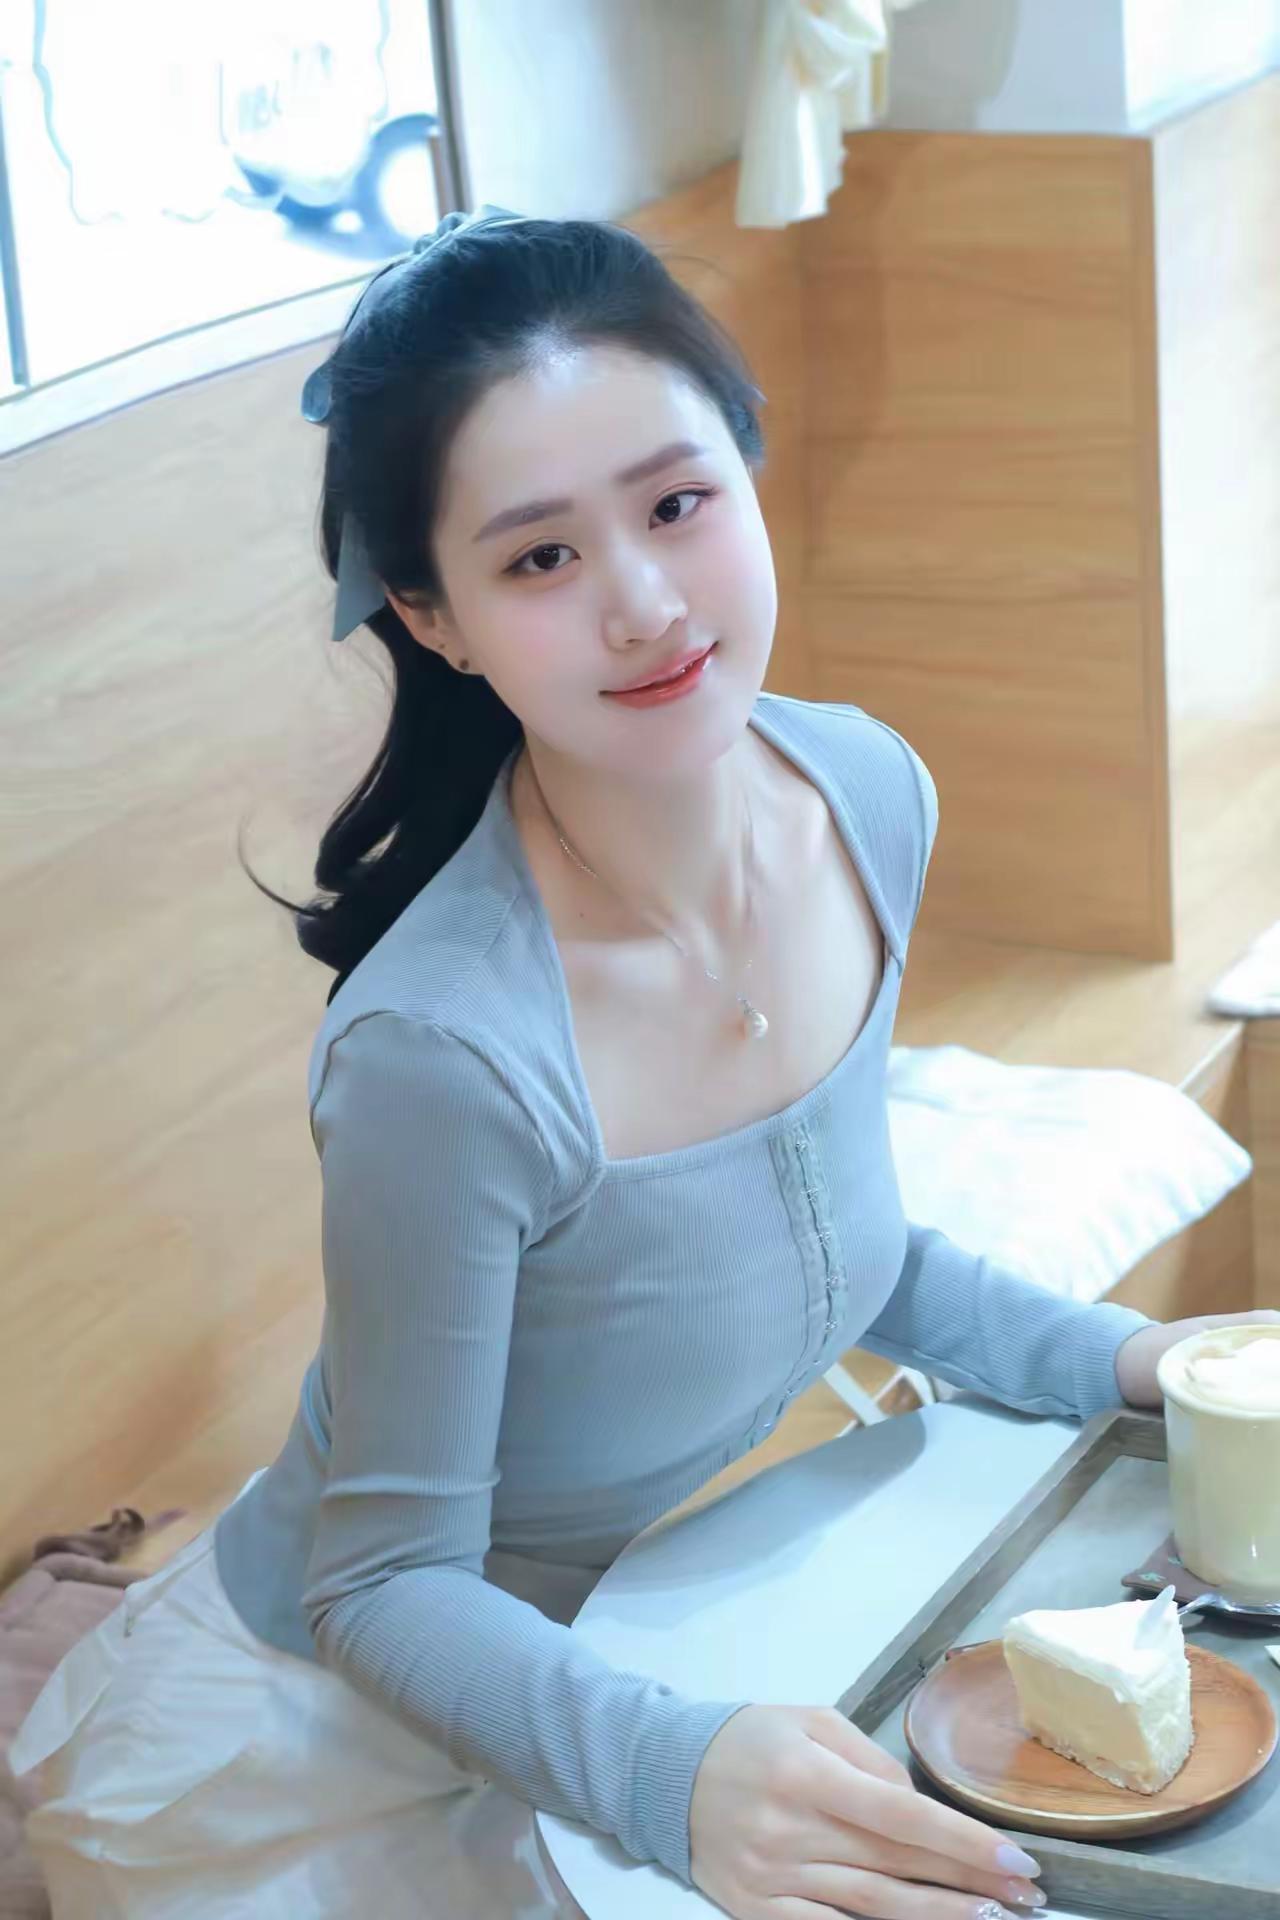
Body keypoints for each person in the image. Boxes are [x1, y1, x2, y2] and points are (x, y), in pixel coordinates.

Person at [10, 206, 1271, 1920]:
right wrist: (677, 1779)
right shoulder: (441, 1054)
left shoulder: (866, 795)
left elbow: (845, 1251)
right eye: (540, 559)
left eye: (678, 504)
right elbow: (379, 1583)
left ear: (748, 469)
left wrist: (1133, 1361)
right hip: (352, 1732)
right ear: (435, 618)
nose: (648, 605)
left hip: (645, 1641)